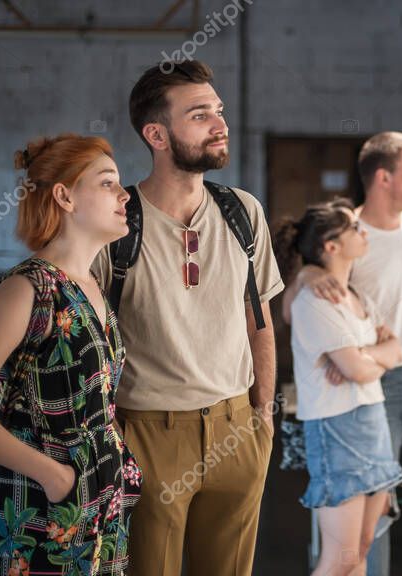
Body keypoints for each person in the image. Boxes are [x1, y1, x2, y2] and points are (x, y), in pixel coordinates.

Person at [90, 59, 284, 575]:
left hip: (238, 427)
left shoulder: (244, 212)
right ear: (156, 134)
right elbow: (87, 340)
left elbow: (258, 319)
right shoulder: (116, 222)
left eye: (217, 110)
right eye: (200, 115)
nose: (220, 124)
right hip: (148, 434)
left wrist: (263, 416)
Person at [0, 133, 140, 575]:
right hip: (40, 512)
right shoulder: (27, 289)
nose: (124, 195)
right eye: (106, 183)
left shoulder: (92, 287)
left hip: (100, 504)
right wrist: (53, 476)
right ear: (64, 196)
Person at [283, 131, 402, 576]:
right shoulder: (349, 232)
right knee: (371, 518)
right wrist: (304, 278)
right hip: (381, 385)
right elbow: (299, 298)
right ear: (383, 177)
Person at [275, 197, 402, 576]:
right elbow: (360, 369)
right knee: (340, 559)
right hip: (336, 428)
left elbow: (394, 349)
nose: (362, 231)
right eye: (353, 227)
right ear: (331, 246)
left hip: (371, 422)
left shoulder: (357, 295)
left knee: (362, 549)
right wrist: (370, 358)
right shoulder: (313, 299)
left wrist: (367, 355)